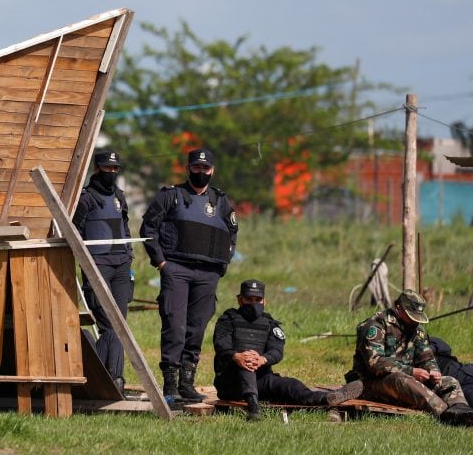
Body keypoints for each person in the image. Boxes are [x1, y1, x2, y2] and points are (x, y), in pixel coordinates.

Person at [140, 148, 238, 401]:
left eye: (206, 168)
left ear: (212, 170)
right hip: (176, 269)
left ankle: (187, 383)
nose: (201, 172)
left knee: (196, 329)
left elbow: (232, 233)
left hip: (207, 273)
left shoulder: (220, 201)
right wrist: (161, 262)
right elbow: (148, 228)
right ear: (188, 168)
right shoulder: (171, 195)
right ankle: (170, 385)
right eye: (196, 167)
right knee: (175, 326)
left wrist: (221, 266)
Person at [213, 279, 364, 420]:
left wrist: (262, 359)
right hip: (230, 382)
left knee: (290, 385)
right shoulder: (228, 320)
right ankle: (254, 409)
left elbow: (277, 351)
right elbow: (221, 345)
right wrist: (237, 356)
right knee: (247, 364)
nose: (254, 303)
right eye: (249, 299)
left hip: (261, 379)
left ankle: (327, 398)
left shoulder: (269, 323)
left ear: (265, 301)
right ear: (240, 300)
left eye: (258, 300)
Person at [346, 290, 473, 426]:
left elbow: (426, 357)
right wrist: (412, 372)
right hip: (370, 384)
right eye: (411, 316)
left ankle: (462, 411)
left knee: (449, 381)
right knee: (400, 379)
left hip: (408, 382)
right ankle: (444, 414)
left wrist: (433, 371)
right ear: (398, 308)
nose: (414, 320)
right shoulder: (375, 326)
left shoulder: (417, 329)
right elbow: (375, 363)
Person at [72, 150, 133, 394]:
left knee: (120, 325)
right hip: (97, 266)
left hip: (121, 267)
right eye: (107, 168)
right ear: (97, 168)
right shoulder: (85, 198)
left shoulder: (120, 196)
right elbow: (74, 231)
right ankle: (112, 378)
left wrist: (130, 259)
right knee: (111, 324)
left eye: (115, 169)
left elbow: (126, 229)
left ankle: (102, 377)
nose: (112, 173)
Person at [429, 336, 473, 407]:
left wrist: (428, 349)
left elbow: (445, 347)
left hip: (463, 369)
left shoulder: (426, 344)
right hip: (458, 381)